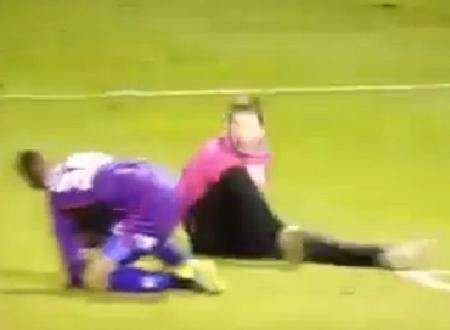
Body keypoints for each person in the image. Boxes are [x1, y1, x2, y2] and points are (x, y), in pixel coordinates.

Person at [178, 95, 428, 269]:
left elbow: (250, 207)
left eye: (247, 124)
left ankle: (381, 256)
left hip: (233, 239)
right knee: (274, 225)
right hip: (206, 234)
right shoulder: (214, 152)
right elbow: (185, 198)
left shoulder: (261, 156)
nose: (239, 130)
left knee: (305, 246)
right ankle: (283, 235)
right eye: (235, 124)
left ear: (261, 131)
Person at [16, 150, 225, 294]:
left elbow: (74, 269)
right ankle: (186, 263)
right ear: (48, 161)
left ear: (30, 182)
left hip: (150, 205)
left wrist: (83, 271)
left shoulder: (58, 197)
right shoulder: (78, 159)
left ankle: (178, 281)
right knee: (134, 231)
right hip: (165, 182)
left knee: (94, 277)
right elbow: (117, 188)